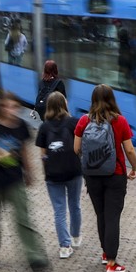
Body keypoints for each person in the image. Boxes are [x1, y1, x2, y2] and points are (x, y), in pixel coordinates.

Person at [0, 92, 48, 272]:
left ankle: (35, 257)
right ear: (0, 107)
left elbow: (24, 150)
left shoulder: (22, 125)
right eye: (7, 106)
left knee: (24, 219)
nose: (11, 110)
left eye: (15, 107)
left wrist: (29, 172)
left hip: (15, 181)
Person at [73, 84, 136, 272]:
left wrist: (91, 161)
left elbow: (76, 148)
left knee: (101, 215)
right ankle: (111, 263)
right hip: (115, 175)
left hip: (92, 177)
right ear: (112, 99)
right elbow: (129, 150)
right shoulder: (120, 121)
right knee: (112, 218)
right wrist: (134, 168)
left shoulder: (84, 121)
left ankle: (105, 252)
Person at [36, 91, 83, 259]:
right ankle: (76, 237)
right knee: (75, 205)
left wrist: (46, 171)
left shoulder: (44, 127)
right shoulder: (73, 123)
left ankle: (65, 246)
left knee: (59, 211)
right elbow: (80, 147)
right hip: (74, 171)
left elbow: (43, 154)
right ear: (65, 104)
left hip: (53, 174)